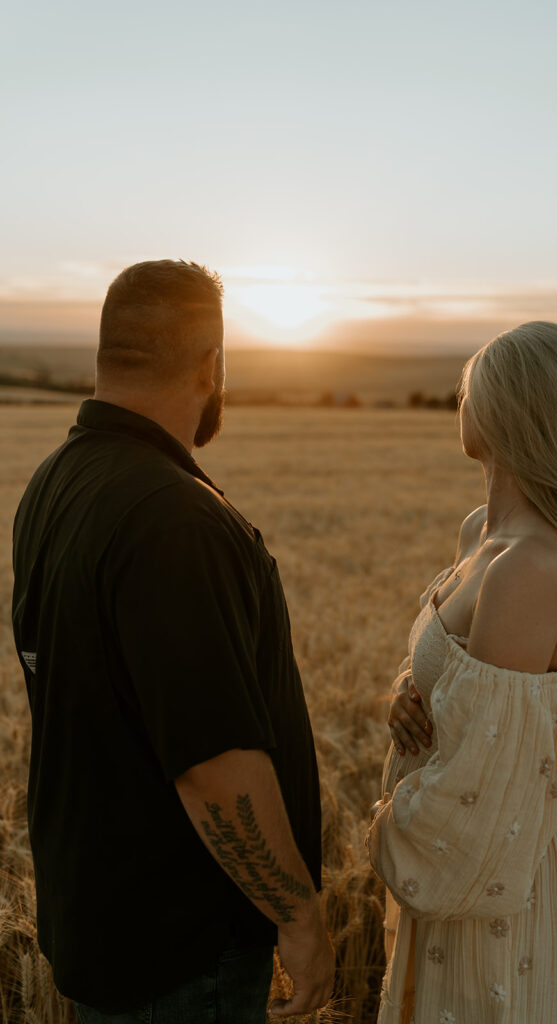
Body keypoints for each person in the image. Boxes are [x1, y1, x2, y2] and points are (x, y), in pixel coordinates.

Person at [12, 259, 335, 1024]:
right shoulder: (173, 519)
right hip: (183, 953)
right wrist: (297, 916)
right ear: (211, 365)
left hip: (106, 926)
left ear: (108, 355)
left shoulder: (54, 483)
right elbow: (212, 764)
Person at [367, 322, 557, 1024]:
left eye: (473, 383)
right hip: (478, 854)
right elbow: (458, 689)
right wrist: (405, 693)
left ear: (506, 409)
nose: (459, 396)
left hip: (502, 875)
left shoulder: (531, 569)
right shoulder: (480, 535)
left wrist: (374, 829)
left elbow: (480, 784)